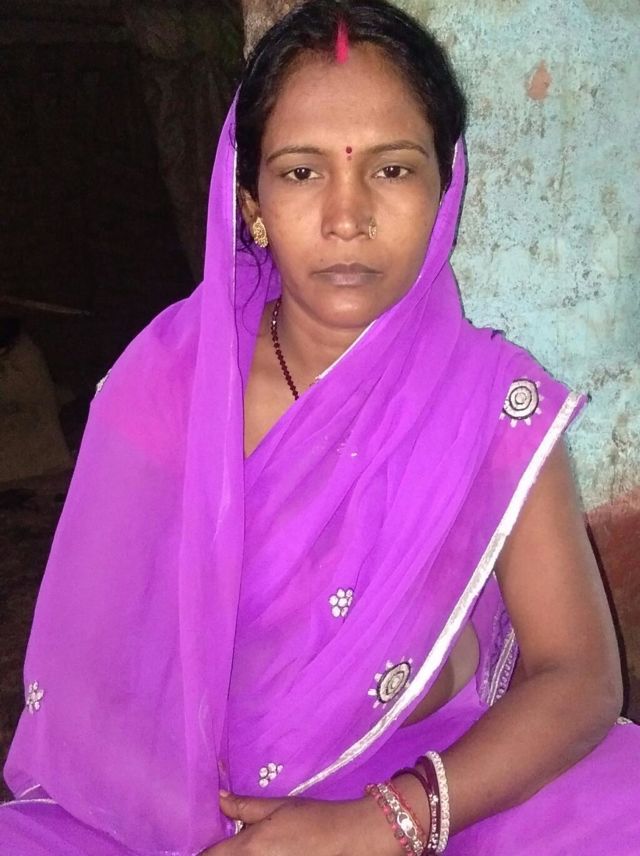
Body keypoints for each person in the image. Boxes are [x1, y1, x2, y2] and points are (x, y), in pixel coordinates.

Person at [1, 1, 638, 854]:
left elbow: (580, 676)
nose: (347, 216)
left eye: (392, 169)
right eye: (302, 172)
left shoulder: (493, 402)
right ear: (252, 202)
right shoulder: (173, 382)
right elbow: (97, 677)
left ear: (445, 187)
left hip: (425, 787)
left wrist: (388, 822)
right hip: (182, 799)